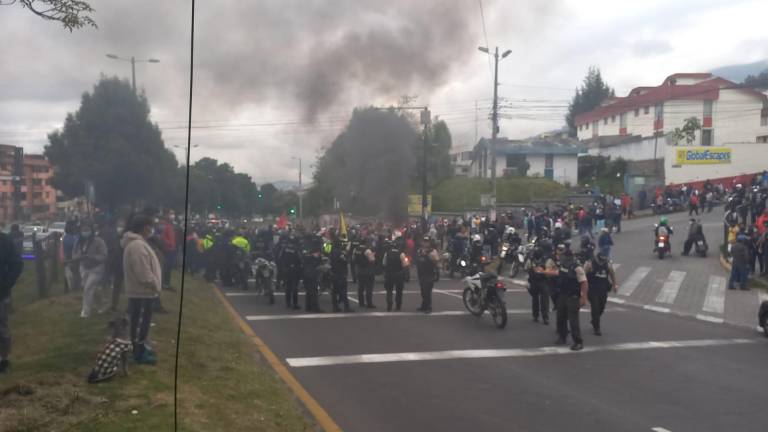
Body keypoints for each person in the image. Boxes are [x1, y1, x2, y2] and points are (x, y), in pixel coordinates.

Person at [122, 215, 162, 365]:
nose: (151, 230)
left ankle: (141, 348)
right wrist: (155, 285)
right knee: (139, 324)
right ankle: (138, 354)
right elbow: (143, 273)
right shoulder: (137, 246)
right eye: (150, 227)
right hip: (142, 291)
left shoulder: (137, 244)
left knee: (141, 323)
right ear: (144, 228)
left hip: (143, 291)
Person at [543, 243, 589, 351]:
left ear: (569, 257)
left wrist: (583, 297)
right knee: (561, 318)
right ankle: (562, 337)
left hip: (573, 296)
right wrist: (544, 272)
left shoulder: (577, 268)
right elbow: (558, 273)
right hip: (562, 295)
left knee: (573, 321)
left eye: (564, 256)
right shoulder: (563, 265)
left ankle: (578, 342)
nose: (561, 258)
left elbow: (584, 282)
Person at [73, 223, 108, 318]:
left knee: (87, 289)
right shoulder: (78, 242)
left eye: (87, 230)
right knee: (91, 288)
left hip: (96, 268)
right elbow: (74, 255)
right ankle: (101, 304)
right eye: (83, 230)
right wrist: (78, 257)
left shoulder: (98, 241)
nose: (85, 232)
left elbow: (104, 255)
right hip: (84, 268)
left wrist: (93, 257)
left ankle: (85, 312)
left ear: (91, 231)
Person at [0, 229, 23, 374]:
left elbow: (17, 264)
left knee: (1, 327)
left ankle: (3, 359)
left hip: (0, 292)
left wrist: (6, 283)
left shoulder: (4, 241)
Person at [583, 252, 616, 336]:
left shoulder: (607, 264)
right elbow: (583, 275)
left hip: (603, 290)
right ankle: (597, 328)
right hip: (592, 290)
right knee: (595, 308)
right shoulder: (589, 264)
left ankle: (594, 320)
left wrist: (615, 284)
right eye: (600, 260)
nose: (601, 262)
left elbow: (612, 274)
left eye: (603, 260)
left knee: (601, 307)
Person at [526, 247, 552, 324]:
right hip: (536, 282)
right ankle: (539, 316)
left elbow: (527, 269)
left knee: (542, 300)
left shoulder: (531, 260)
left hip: (541, 282)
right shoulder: (544, 260)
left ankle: (542, 316)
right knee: (537, 300)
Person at [382, 239, 408, 312]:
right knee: (399, 291)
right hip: (398, 274)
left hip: (389, 274)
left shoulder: (387, 253)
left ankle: (389, 303)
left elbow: (384, 263)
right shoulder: (401, 254)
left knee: (389, 290)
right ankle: (398, 305)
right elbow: (405, 264)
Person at [416, 236, 440, 314]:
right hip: (421, 273)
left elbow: (436, 261)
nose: (425, 243)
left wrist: (428, 255)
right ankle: (424, 306)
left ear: (430, 243)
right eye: (424, 241)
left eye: (427, 241)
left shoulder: (433, 251)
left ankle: (428, 307)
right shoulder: (419, 250)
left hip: (429, 273)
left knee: (427, 291)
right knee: (423, 291)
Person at [278, 235, 302, 310]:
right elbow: (300, 259)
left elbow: (280, 257)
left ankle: (288, 303)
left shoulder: (284, 248)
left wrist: (283, 267)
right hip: (294, 270)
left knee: (288, 287)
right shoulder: (296, 249)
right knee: (294, 288)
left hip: (286, 269)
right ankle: (295, 304)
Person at [329, 237, 353, 312]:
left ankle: (335, 307)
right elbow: (346, 261)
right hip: (341, 273)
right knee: (343, 291)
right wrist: (346, 252)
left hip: (333, 272)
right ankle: (346, 307)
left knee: (334, 292)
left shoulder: (331, 251)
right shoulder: (340, 252)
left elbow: (324, 249)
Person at [302, 238, 324, 313]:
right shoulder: (314, 257)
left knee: (309, 292)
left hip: (306, 275)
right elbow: (318, 265)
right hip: (312, 276)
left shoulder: (307, 254)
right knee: (314, 292)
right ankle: (315, 308)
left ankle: (308, 307)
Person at [355, 237, 377, 308]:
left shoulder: (356, 249)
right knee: (369, 288)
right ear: (366, 243)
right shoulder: (367, 250)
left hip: (359, 270)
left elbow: (353, 258)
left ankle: (361, 302)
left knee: (360, 287)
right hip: (368, 271)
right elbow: (372, 260)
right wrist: (373, 255)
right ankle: (369, 303)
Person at [158, 213, 177, 291]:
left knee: (167, 268)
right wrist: (170, 244)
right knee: (167, 268)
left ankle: (166, 283)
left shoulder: (168, 227)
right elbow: (164, 237)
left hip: (169, 249)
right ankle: (165, 284)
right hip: (169, 249)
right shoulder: (167, 227)